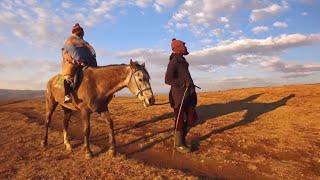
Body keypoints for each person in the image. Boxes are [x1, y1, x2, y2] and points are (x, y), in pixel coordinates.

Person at [165, 38, 198, 153]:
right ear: (178, 47)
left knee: (192, 118)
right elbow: (168, 79)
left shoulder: (182, 60)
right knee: (179, 119)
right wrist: (183, 83)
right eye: (183, 45)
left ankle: (182, 138)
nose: (185, 47)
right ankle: (179, 144)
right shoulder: (174, 61)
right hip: (179, 96)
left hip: (189, 93)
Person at [61, 23, 97, 102]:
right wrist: (75, 60)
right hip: (73, 63)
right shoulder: (69, 41)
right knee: (69, 77)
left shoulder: (84, 43)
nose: (81, 32)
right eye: (80, 31)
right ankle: (67, 95)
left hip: (87, 63)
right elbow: (65, 54)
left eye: (81, 31)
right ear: (75, 31)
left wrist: (89, 60)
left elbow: (90, 52)